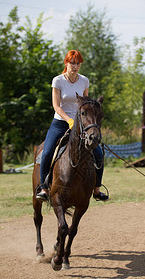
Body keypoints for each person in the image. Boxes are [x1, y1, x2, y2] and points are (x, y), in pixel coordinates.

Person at [36, 50, 108, 202]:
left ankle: (97, 190)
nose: (75, 66)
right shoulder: (58, 81)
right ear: (66, 63)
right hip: (60, 123)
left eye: (78, 63)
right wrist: (69, 120)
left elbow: (85, 104)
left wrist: (85, 121)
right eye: (72, 63)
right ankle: (43, 188)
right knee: (48, 151)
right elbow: (56, 106)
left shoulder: (84, 81)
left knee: (99, 154)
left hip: (80, 124)